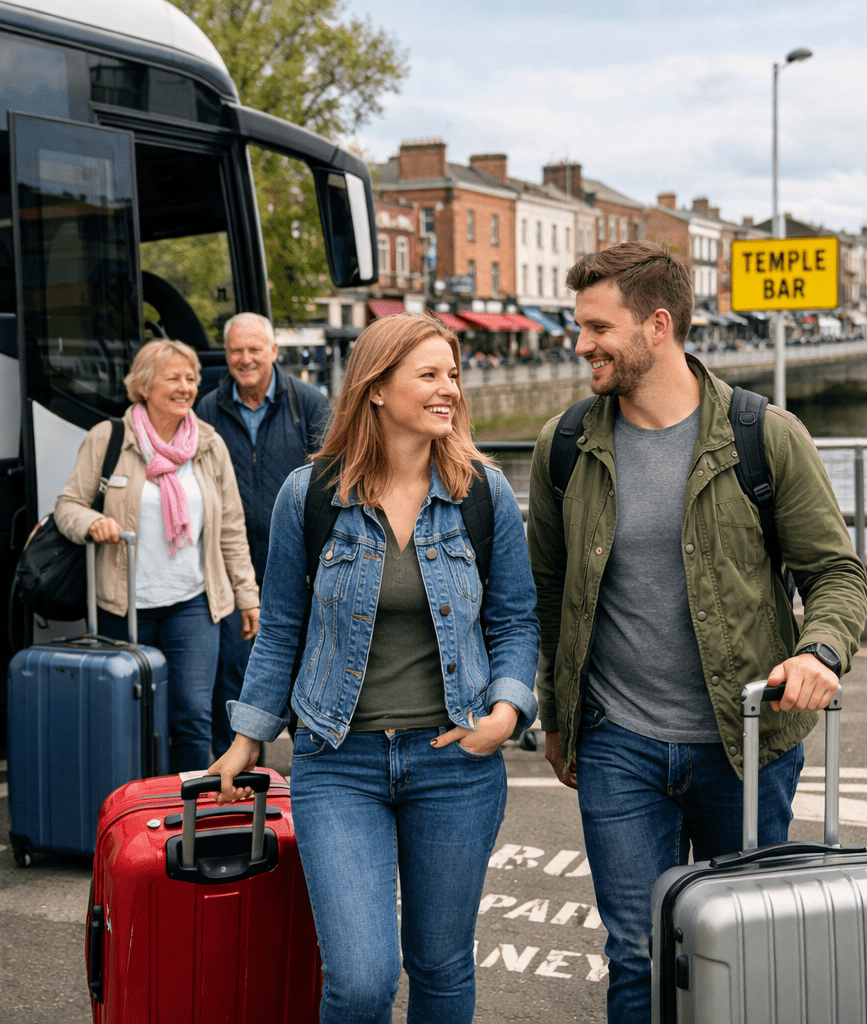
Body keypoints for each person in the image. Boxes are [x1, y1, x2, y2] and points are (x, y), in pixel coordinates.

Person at [526, 241, 867, 1023]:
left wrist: (820, 651)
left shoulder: (763, 435)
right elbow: (550, 593)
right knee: (637, 954)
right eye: (578, 327)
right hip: (618, 745)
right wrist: (558, 713)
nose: (580, 344)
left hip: (746, 744)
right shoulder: (565, 445)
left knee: (740, 954)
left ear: (657, 325)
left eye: (596, 327)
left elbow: (837, 575)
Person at [210, 311, 540, 1024]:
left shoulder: (485, 494)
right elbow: (283, 629)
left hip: (455, 761)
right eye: (429, 375)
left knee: (442, 967)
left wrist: (506, 713)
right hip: (339, 760)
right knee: (360, 980)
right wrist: (247, 737)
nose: (449, 388)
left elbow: (515, 620)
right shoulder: (311, 495)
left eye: (452, 374)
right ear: (377, 389)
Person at [55, 339, 260, 772]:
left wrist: (247, 596)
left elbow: (230, 529)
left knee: (193, 715)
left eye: (191, 379)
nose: (186, 387)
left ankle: (186, 814)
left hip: (193, 603)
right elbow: (68, 505)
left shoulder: (208, 444)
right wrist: (92, 523)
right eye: (174, 378)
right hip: (125, 605)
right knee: (131, 715)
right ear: (144, 386)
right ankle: (136, 811)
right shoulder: (109, 439)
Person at [195, 311, 330, 759]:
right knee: (233, 673)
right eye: (236, 350)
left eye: (255, 349)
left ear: (273, 351)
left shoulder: (308, 404)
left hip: (299, 565)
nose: (245, 358)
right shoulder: (207, 411)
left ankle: (310, 767)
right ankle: (233, 777)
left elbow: (332, 478)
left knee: (300, 665)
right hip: (233, 567)